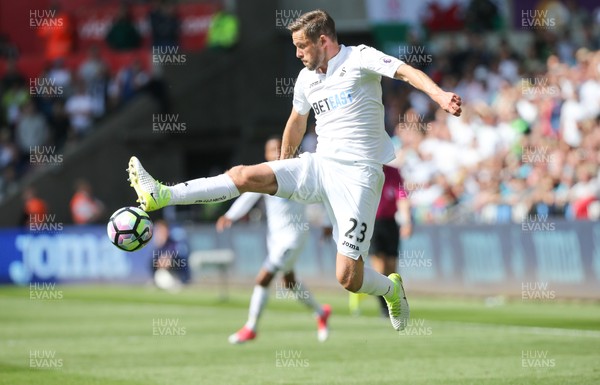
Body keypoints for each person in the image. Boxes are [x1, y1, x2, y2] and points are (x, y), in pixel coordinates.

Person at [127, 9, 462, 332]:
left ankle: (391, 291)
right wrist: (283, 163)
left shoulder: (359, 57)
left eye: (302, 46)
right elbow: (297, 121)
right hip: (319, 164)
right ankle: (163, 194)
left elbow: (406, 71)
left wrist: (440, 94)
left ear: (324, 41)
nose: (298, 53)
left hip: (359, 176)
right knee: (245, 175)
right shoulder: (306, 79)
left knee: (348, 278)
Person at [216, 137, 330, 344]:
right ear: (266, 154)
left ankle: (251, 327)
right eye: (271, 150)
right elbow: (248, 196)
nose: (276, 152)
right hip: (275, 239)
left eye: (280, 148)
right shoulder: (265, 175)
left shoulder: (298, 172)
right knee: (290, 282)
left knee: (263, 279)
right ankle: (321, 312)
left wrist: (327, 223)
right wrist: (231, 215)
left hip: (293, 239)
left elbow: (319, 196)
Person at [349, 165, 412, 316]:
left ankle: (393, 301)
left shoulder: (393, 172)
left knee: (392, 268)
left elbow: (402, 196)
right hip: (371, 223)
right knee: (380, 267)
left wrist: (407, 221)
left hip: (390, 224)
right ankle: (385, 308)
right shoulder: (365, 170)